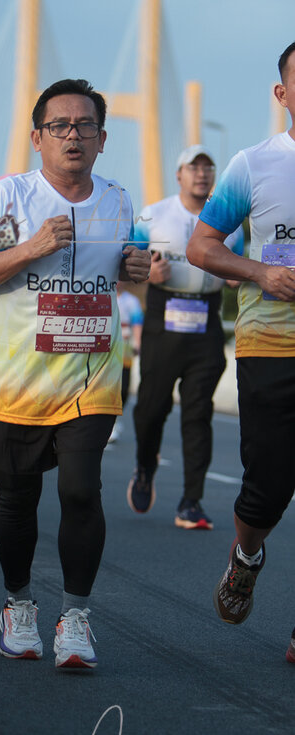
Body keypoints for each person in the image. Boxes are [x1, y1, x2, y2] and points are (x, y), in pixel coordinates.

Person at [0, 78, 150, 669]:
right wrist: (31, 247)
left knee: (80, 490)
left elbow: (131, 271)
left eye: (85, 126)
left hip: (91, 375)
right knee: (16, 498)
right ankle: (18, 605)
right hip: (18, 375)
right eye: (60, 126)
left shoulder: (118, 201)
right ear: (37, 137)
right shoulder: (10, 196)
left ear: (102, 139)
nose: (73, 135)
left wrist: (138, 267)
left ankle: (75, 617)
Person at [186, 42, 295, 660]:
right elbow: (202, 247)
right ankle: (247, 555)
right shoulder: (253, 164)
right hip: (271, 348)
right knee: (267, 487)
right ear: (282, 94)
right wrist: (260, 272)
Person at [128, 146, 244, 529]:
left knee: (198, 413)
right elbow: (125, 266)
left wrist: (237, 275)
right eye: (193, 167)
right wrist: (146, 274)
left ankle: (191, 502)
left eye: (208, 167)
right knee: (151, 409)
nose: (202, 173)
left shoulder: (229, 221)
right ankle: (144, 468)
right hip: (163, 320)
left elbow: (238, 270)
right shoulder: (153, 214)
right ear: (179, 175)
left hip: (206, 322)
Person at [107, 284, 143, 443]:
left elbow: (137, 323)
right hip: (104, 348)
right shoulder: (102, 294)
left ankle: (114, 419)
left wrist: (138, 344)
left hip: (124, 349)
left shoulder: (131, 301)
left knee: (123, 387)